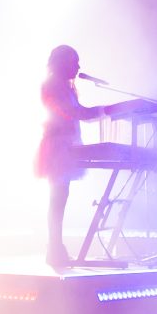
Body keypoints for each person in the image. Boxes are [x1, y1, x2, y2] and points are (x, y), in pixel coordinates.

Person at [37, 45, 108, 270]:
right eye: (74, 62)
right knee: (57, 200)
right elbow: (73, 112)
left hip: (65, 147)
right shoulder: (51, 85)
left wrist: (104, 111)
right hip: (57, 148)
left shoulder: (65, 87)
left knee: (60, 199)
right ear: (62, 62)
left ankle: (55, 248)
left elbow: (77, 112)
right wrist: (106, 111)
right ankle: (54, 248)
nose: (78, 67)